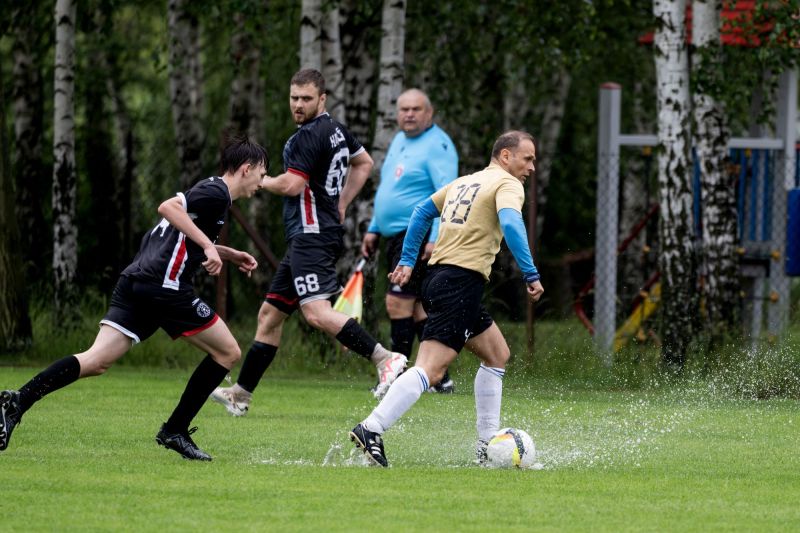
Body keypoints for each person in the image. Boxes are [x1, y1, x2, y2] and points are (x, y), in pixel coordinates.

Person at [0, 135, 268, 461]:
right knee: (228, 351)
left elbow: (180, 238)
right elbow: (168, 208)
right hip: (163, 286)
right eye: (262, 174)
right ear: (246, 168)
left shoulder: (214, 197)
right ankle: (175, 429)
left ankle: (17, 401)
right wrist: (211, 246)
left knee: (96, 360)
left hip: (137, 281)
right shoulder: (215, 193)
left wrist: (226, 253)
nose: (262, 182)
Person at [210, 69, 407, 416]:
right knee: (270, 315)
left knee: (316, 312)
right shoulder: (337, 131)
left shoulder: (308, 137)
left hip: (311, 236)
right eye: (294, 98)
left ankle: (384, 358)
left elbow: (293, 185)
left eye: (305, 99)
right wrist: (342, 201)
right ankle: (241, 394)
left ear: (322, 99)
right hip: (313, 234)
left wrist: (262, 179)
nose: (298, 105)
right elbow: (364, 163)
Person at [349, 130, 544, 467]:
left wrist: (408, 260)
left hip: (440, 278)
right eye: (528, 158)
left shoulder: (464, 182)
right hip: (460, 282)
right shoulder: (509, 184)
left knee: (497, 354)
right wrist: (531, 272)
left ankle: (487, 446)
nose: (532, 167)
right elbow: (512, 224)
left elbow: (422, 212)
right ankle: (372, 428)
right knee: (431, 369)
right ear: (506, 156)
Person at [361, 88, 458, 394]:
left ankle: (396, 376)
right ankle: (438, 377)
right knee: (415, 309)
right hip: (394, 235)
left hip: (416, 235)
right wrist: (375, 227)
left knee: (398, 302)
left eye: (416, 109)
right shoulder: (400, 140)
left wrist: (434, 237)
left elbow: (448, 194)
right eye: (404, 109)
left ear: (429, 113)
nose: (409, 114)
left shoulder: (438, 145)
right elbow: (390, 186)